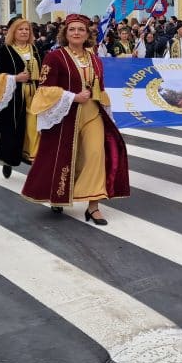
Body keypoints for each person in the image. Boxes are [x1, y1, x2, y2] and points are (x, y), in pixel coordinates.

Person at [21, 14, 130, 219]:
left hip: (92, 114)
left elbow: (101, 88)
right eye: (72, 29)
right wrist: (72, 97)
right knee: (60, 157)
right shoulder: (55, 57)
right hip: (65, 115)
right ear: (66, 33)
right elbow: (45, 90)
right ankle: (58, 195)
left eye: (81, 29)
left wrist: (105, 108)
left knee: (96, 154)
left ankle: (93, 205)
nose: (77, 33)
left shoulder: (95, 59)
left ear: (87, 33)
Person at [0, 18, 41, 179]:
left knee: (35, 128)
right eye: (21, 29)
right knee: (12, 129)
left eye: (27, 29)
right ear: (13, 32)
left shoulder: (36, 49)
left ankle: (34, 160)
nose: (25, 32)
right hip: (13, 96)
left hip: (35, 94)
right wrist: (14, 79)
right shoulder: (4, 52)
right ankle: (8, 160)